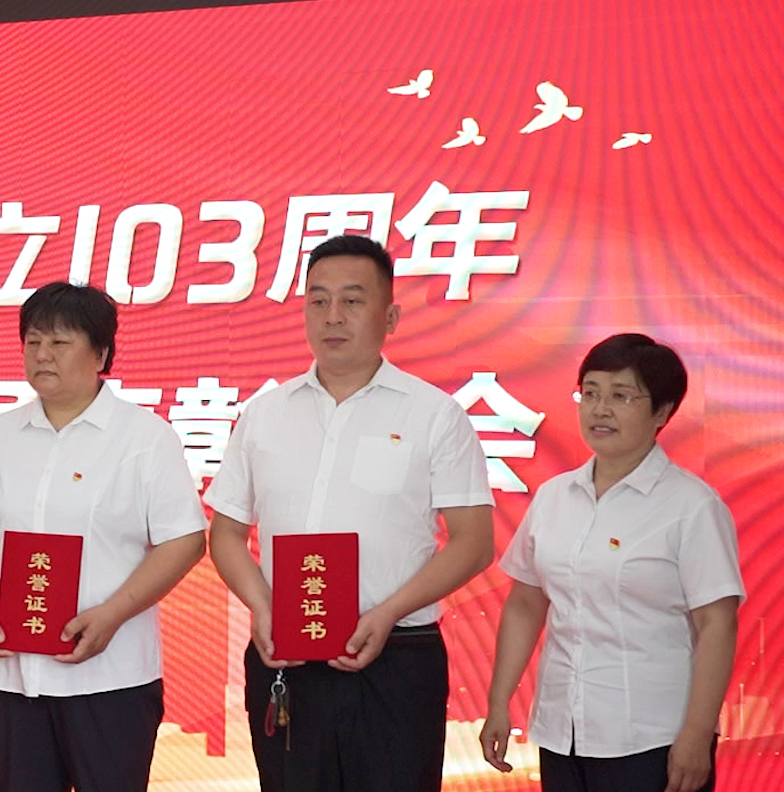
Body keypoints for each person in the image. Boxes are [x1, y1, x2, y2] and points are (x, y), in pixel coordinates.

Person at [204, 234, 494, 792]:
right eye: (318, 300)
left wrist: (387, 613)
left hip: (396, 656)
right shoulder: (264, 414)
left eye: (353, 301)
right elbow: (227, 533)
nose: (332, 316)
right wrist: (262, 608)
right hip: (286, 653)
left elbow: (473, 542)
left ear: (390, 316)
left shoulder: (434, 414)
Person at [0, 282, 206, 792]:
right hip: (13, 677)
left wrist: (112, 614)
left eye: (60, 342)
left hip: (111, 677)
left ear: (101, 354)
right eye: (33, 342)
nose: (43, 354)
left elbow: (184, 540)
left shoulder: (143, 437)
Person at [481, 333, 741, 792]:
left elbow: (716, 624)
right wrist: (499, 702)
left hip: (652, 736)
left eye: (621, 396)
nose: (600, 410)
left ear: (661, 412)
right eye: (591, 393)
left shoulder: (691, 506)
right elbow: (525, 602)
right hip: (562, 730)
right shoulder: (554, 497)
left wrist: (698, 733)